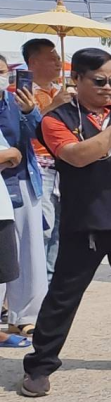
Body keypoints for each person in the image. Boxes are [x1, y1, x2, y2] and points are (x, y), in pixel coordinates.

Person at [21, 48, 111, 396]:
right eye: (100, 80)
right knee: (64, 295)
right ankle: (40, 364)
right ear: (77, 79)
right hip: (85, 222)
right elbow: (76, 157)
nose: (109, 87)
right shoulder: (56, 119)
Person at [1, 56, 47, 341]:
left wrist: (31, 111)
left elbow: (37, 135)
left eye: (2, 71)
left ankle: (24, 317)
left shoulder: (14, 104)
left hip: (20, 183)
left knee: (29, 252)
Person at [22, 38, 71, 279]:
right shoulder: (20, 94)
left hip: (64, 166)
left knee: (62, 229)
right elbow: (24, 130)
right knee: (44, 228)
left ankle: (51, 281)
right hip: (38, 168)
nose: (58, 62)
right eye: (52, 57)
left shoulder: (59, 91)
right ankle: (36, 284)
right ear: (33, 62)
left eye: (57, 57)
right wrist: (52, 106)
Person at [0, 131, 23, 347]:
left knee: (3, 274)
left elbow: (15, 156)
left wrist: (9, 153)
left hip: (1, 209)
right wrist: (8, 153)